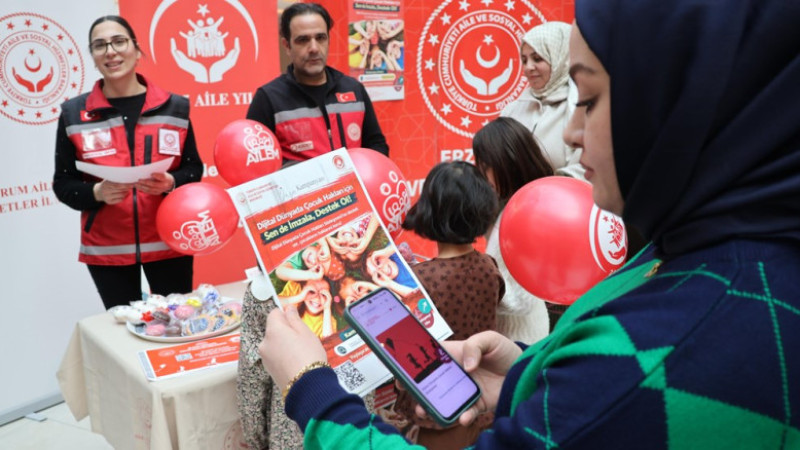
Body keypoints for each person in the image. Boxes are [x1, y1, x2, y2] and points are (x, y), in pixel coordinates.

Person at [257, 0, 800, 447]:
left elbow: (619, 389)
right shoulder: (706, 252)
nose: (569, 133)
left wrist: (312, 390)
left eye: (587, 99)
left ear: (684, 105)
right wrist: (526, 376)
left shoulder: (670, 347)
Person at [53, 15, 203, 310]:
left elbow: (193, 169)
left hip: (170, 242)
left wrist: (171, 182)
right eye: (100, 45)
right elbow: (63, 183)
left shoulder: (175, 107)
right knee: (122, 335)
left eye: (119, 41)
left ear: (136, 49)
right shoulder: (73, 113)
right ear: (93, 57)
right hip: (108, 250)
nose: (110, 51)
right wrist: (97, 193)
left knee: (175, 329)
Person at [397, 161, 505, 448]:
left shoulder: (419, 280)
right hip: (485, 403)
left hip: (438, 409)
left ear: (429, 211)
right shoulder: (489, 266)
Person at [246, 3, 389, 164]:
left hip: (354, 188)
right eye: (303, 40)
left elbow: (376, 144)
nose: (314, 48)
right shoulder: (268, 99)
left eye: (320, 38)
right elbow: (257, 165)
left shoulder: (354, 89)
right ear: (287, 46)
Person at [473, 117, 556, 339]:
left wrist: (472, 283)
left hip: (520, 340)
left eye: (486, 166)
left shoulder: (524, 219)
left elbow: (522, 300)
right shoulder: (513, 206)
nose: (482, 175)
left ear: (507, 163)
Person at [500, 21, 583, 179]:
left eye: (537, 59)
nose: (528, 67)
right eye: (524, 60)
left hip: (564, 200)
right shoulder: (514, 109)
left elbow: (588, 168)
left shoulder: (581, 107)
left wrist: (546, 189)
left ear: (561, 58)